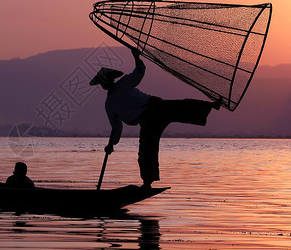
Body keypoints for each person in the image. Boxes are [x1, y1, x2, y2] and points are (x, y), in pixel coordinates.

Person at [90, 49, 221, 189]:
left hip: (156, 107)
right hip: (147, 121)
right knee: (146, 151)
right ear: (103, 85)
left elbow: (139, 72)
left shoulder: (124, 83)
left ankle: (211, 105)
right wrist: (112, 144)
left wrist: (137, 58)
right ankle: (147, 183)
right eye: (104, 82)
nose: (106, 84)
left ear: (111, 79)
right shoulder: (109, 105)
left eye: (107, 80)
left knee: (181, 106)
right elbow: (116, 127)